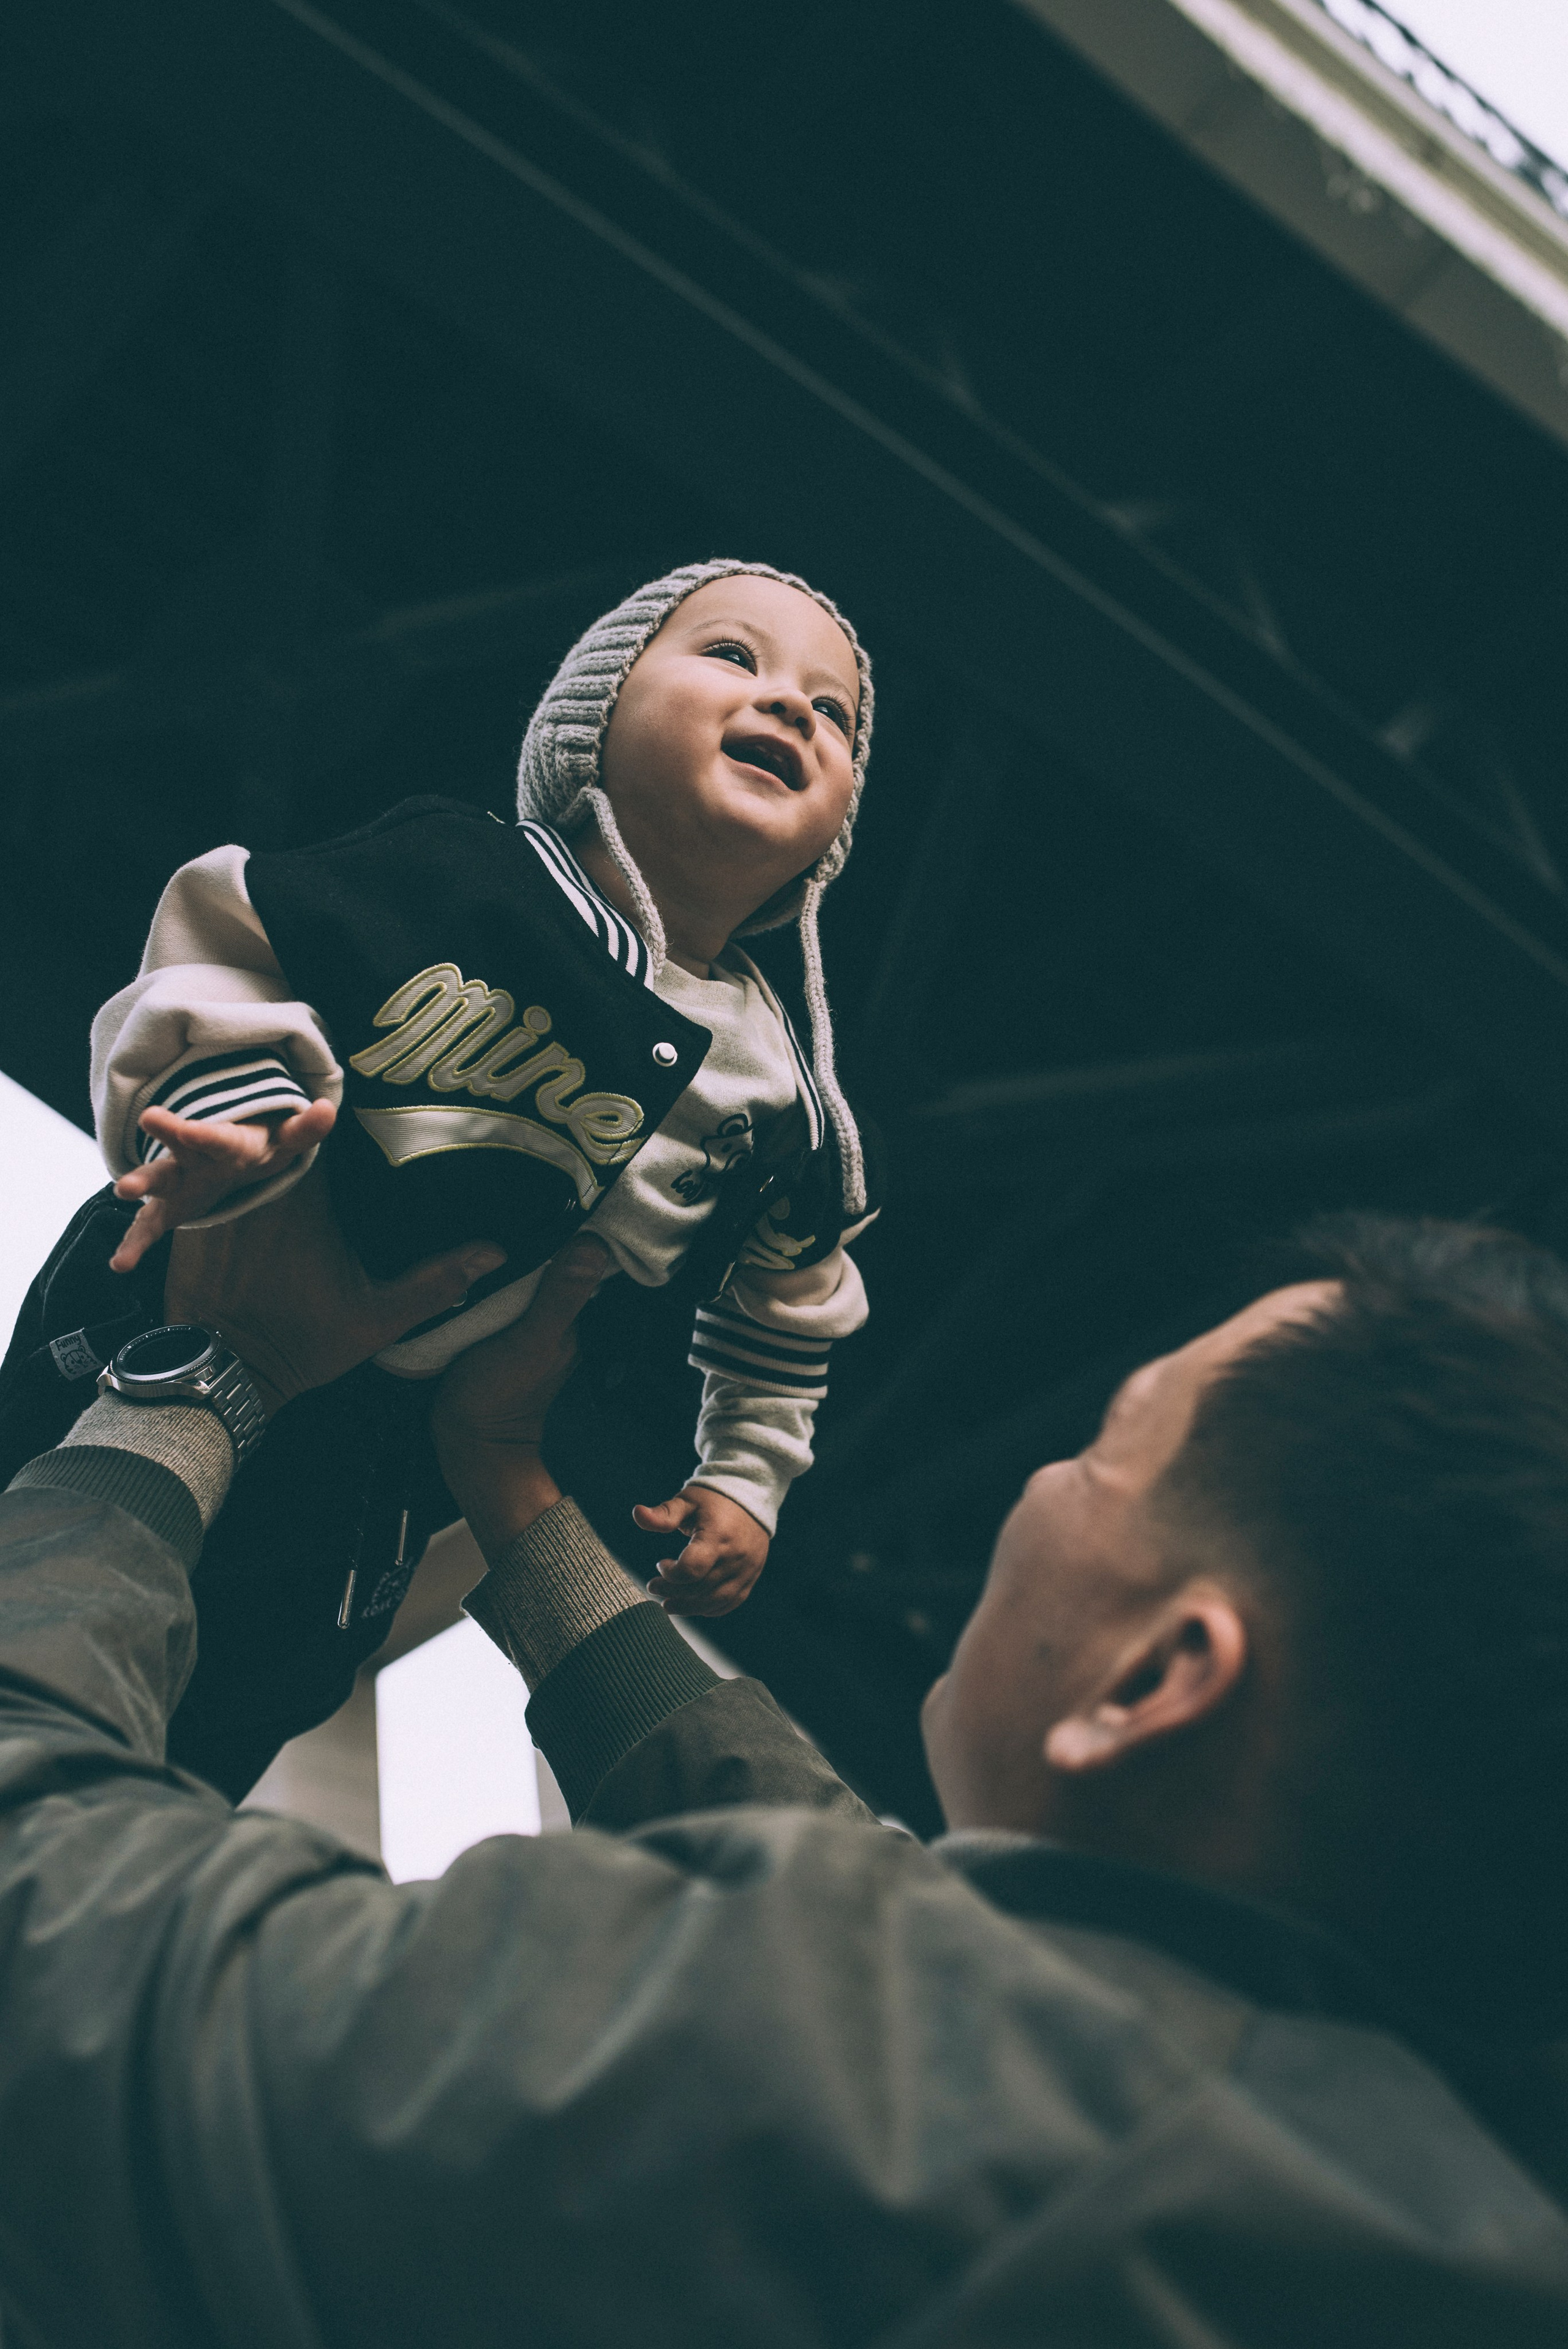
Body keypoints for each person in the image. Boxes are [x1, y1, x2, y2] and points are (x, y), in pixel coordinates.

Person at [2, 1180, 1567, 2347]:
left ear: (1156, 1680)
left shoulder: (840, 2097)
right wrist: (513, 1489)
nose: (1040, 1479)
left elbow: (42, 1922)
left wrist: (208, 1375)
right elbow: (895, 1923)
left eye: (1104, 1444)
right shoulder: (1390, 2194)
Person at [0, 562, 880, 1797]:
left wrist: (744, 1474)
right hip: (167, 1311)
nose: (789, 705)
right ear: (592, 723)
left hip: (380, 1468)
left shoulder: (782, 1094)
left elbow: (792, 1293)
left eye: (830, 713)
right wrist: (222, 1105)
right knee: (34, 1561)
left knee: (228, 1707)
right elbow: (230, 932)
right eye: (732, 657)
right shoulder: (461, 875)